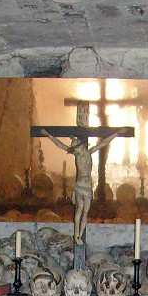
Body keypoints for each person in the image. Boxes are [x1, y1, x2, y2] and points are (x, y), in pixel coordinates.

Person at [40, 103, 131, 247]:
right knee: (80, 210)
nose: (78, 148)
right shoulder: (78, 155)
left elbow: (104, 142)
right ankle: (76, 234)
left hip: (88, 187)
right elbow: (59, 144)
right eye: (76, 146)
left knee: (85, 213)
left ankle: (79, 236)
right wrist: (48, 135)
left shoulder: (89, 152)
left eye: (78, 145)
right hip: (80, 186)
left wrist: (118, 133)